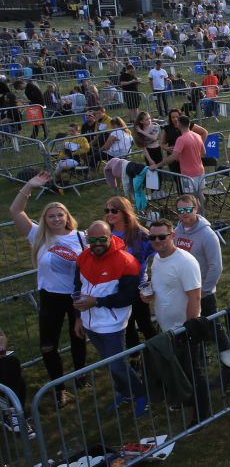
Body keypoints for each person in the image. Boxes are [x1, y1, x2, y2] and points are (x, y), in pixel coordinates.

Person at [9, 172, 87, 406]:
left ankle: (81, 377)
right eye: (50, 216)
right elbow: (15, 211)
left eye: (59, 215)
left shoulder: (81, 238)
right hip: (50, 297)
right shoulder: (38, 236)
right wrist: (29, 187)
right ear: (45, 219)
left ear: (66, 217)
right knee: (48, 344)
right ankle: (59, 388)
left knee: (78, 338)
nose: (55, 219)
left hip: (76, 297)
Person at [72, 220, 147, 417]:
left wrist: (96, 302)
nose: (97, 243)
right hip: (89, 323)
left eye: (101, 239)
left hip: (113, 325)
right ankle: (125, 392)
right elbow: (77, 289)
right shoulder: (83, 257)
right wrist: (79, 317)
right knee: (109, 363)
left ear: (110, 237)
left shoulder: (127, 262)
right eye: (92, 239)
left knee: (117, 365)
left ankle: (140, 395)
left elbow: (130, 297)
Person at [104, 196, 157, 351]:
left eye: (114, 210)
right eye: (107, 210)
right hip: (116, 287)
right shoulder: (107, 234)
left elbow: (160, 252)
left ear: (124, 212)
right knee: (127, 326)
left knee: (145, 324)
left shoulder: (140, 234)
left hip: (137, 287)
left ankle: (159, 354)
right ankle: (135, 358)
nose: (109, 214)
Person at [141, 219, 201, 332]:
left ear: (173, 235)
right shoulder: (157, 258)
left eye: (162, 237)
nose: (157, 240)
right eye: (153, 237)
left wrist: (189, 331)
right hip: (166, 330)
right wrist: (150, 294)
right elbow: (163, 286)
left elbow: (195, 298)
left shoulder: (185, 262)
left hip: (183, 330)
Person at [173, 194, 222, 317]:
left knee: (212, 330)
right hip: (182, 292)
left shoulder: (208, 235)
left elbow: (216, 267)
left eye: (188, 209)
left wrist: (203, 292)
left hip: (204, 295)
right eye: (180, 210)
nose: (184, 213)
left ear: (196, 209)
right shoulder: (176, 232)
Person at [150, 115, 206, 208]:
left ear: (179, 124)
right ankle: (202, 214)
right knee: (200, 195)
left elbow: (172, 157)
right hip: (200, 171)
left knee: (191, 199)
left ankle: (196, 216)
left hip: (188, 175)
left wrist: (157, 165)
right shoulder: (197, 135)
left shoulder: (181, 139)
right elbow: (203, 152)